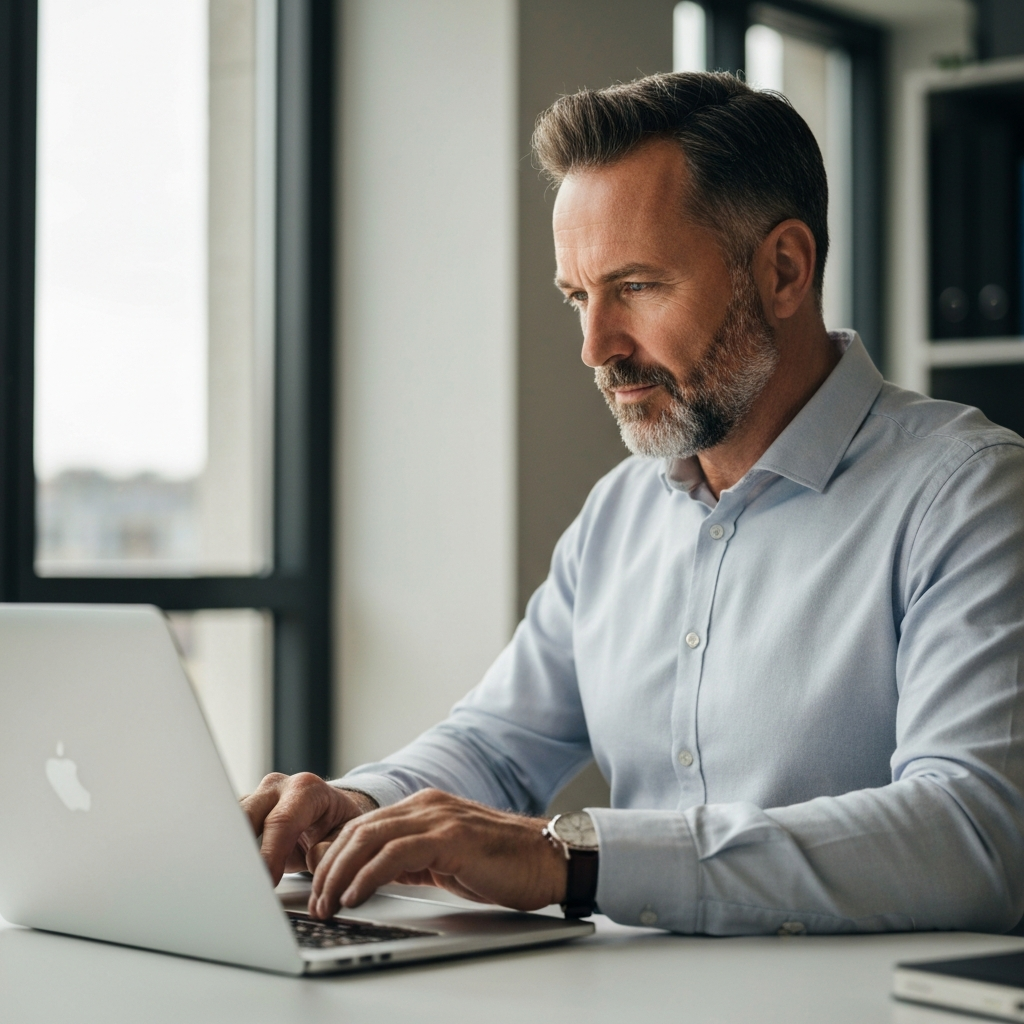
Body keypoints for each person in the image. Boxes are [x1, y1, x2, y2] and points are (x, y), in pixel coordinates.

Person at [242, 72, 1024, 935]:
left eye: (639, 287)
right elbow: (498, 745)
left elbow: (976, 833)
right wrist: (357, 808)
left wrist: (574, 858)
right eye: (579, 297)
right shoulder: (620, 512)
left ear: (785, 270)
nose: (594, 347)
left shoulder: (971, 493)